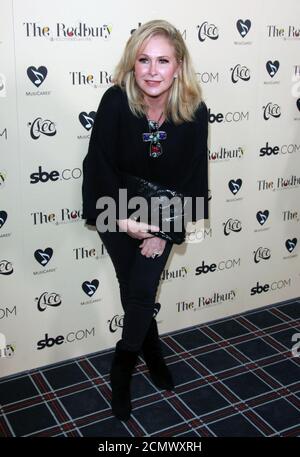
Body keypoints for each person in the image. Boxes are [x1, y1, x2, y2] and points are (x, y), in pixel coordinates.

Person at [81, 19, 209, 421]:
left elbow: (192, 175)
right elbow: (97, 165)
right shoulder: (116, 101)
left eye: (163, 61)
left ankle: (122, 366)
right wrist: (120, 220)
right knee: (133, 288)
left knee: (140, 291)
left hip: (161, 215)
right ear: (132, 64)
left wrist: (165, 233)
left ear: (179, 65)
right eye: (144, 60)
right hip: (114, 210)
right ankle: (151, 353)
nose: (153, 71)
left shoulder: (194, 110)